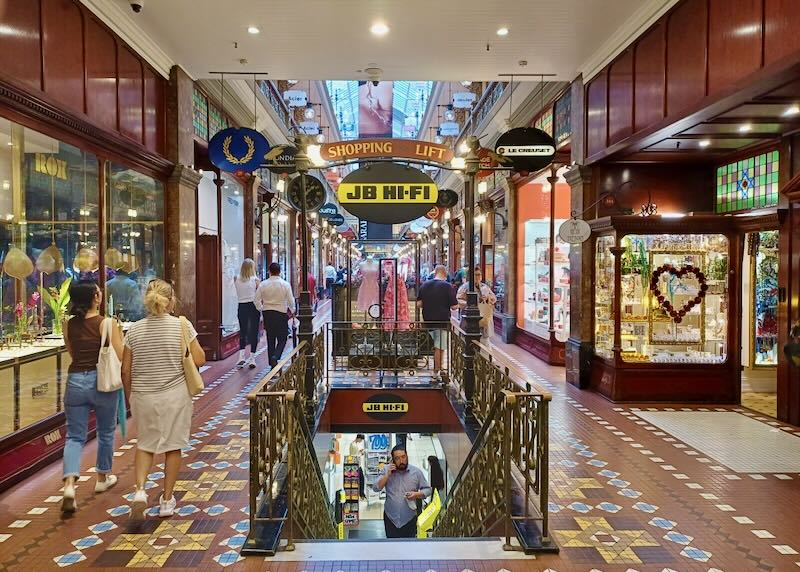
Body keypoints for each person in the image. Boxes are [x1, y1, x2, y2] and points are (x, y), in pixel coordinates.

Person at [122, 279, 206, 519]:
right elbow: (199, 359)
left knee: (146, 444)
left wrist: (130, 397)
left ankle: (140, 491)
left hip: (143, 396)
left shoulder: (134, 330)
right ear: (171, 301)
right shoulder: (181, 326)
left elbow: (125, 370)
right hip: (175, 396)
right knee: (172, 446)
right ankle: (167, 500)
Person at [60, 280, 124, 514]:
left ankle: (69, 485)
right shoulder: (107, 324)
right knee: (105, 431)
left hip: (75, 380)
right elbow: (120, 354)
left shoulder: (68, 324)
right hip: (102, 381)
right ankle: (102, 477)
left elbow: (71, 351)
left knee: (75, 436)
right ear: (96, 298)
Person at [372, 444, 431, 538]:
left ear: (407, 456)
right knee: (392, 547)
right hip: (390, 518)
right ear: (393, 460)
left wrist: (416, 494)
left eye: (403, 457)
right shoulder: (386, 470)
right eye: (397, 458)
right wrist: (387, 475)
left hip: (409, 518)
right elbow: (375, 488)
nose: (401, 461)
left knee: (408, 547)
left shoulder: (416, 472)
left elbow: (428, 490)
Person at [417, 265, 459, 378]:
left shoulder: (425, 285)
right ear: (445, 274)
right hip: (442, 321)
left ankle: (439, 368)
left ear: (435, 273)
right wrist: (461, 303)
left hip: (428, 320)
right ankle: (437, 371)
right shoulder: (447, 286)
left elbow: (419, 304)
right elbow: (454, 306)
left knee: (437, 344)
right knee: (439, 347)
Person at [255, 262, 296, 367]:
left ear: (269, 271)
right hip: (281, 313)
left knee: (270, 337)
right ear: (280, 272)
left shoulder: (263, 284)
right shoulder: (285, 284)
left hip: (268, 313)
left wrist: (262, 309)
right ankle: (276, 356)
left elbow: (256, 300)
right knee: (282, 338)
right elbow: (291, 300)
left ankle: (271, 362)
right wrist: (293, 310)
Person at [457, 266, 498, 340]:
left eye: (479, 275)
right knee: (469, 343)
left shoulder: (485, 287)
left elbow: (494, 299)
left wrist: (487, 298)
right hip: (470, 321)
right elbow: (459, 300)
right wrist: (472, 303)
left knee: (485, 344)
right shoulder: (465, 287)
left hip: (483, 320)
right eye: (476, 275)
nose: (478, 277)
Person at [234, 258, 260, 369]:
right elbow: (259, 295)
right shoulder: (256, 280)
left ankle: (241, 356)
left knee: (243, 331)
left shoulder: (236, 278)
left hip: (241, 306)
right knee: (254, 332)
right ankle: (252, 358)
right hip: (253, 306)